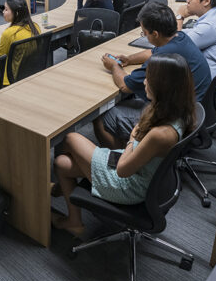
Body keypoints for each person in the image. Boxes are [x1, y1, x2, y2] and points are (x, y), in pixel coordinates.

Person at [52, 53, 196, 236]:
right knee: (61, 164)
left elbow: (122, 170)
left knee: (70, 139)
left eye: (148, 78)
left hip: (128, 186)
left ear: (163, 86)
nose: (144, 82)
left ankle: (58, 191)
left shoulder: (161, 134)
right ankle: (74, 221)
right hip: (141, 169)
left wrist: (131, 138)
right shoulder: (178, 110)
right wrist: (135, 138)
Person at [94, 3, 210, 148]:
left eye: (144, 33)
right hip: (190, 110)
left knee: (100, 115)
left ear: (155, 34)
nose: (144, 35)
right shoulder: (179, 37)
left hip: (174, 119)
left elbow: (125, 85)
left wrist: (113, 66)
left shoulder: (163, 57)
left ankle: (126, 159)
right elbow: (152, 51)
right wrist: (129, 59)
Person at [0, 0, 40, 85]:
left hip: (10, 77)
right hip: (29, 72)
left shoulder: (9, 33)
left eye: (6, 9)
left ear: (17, 13)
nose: (3, 11)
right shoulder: (35, 27)